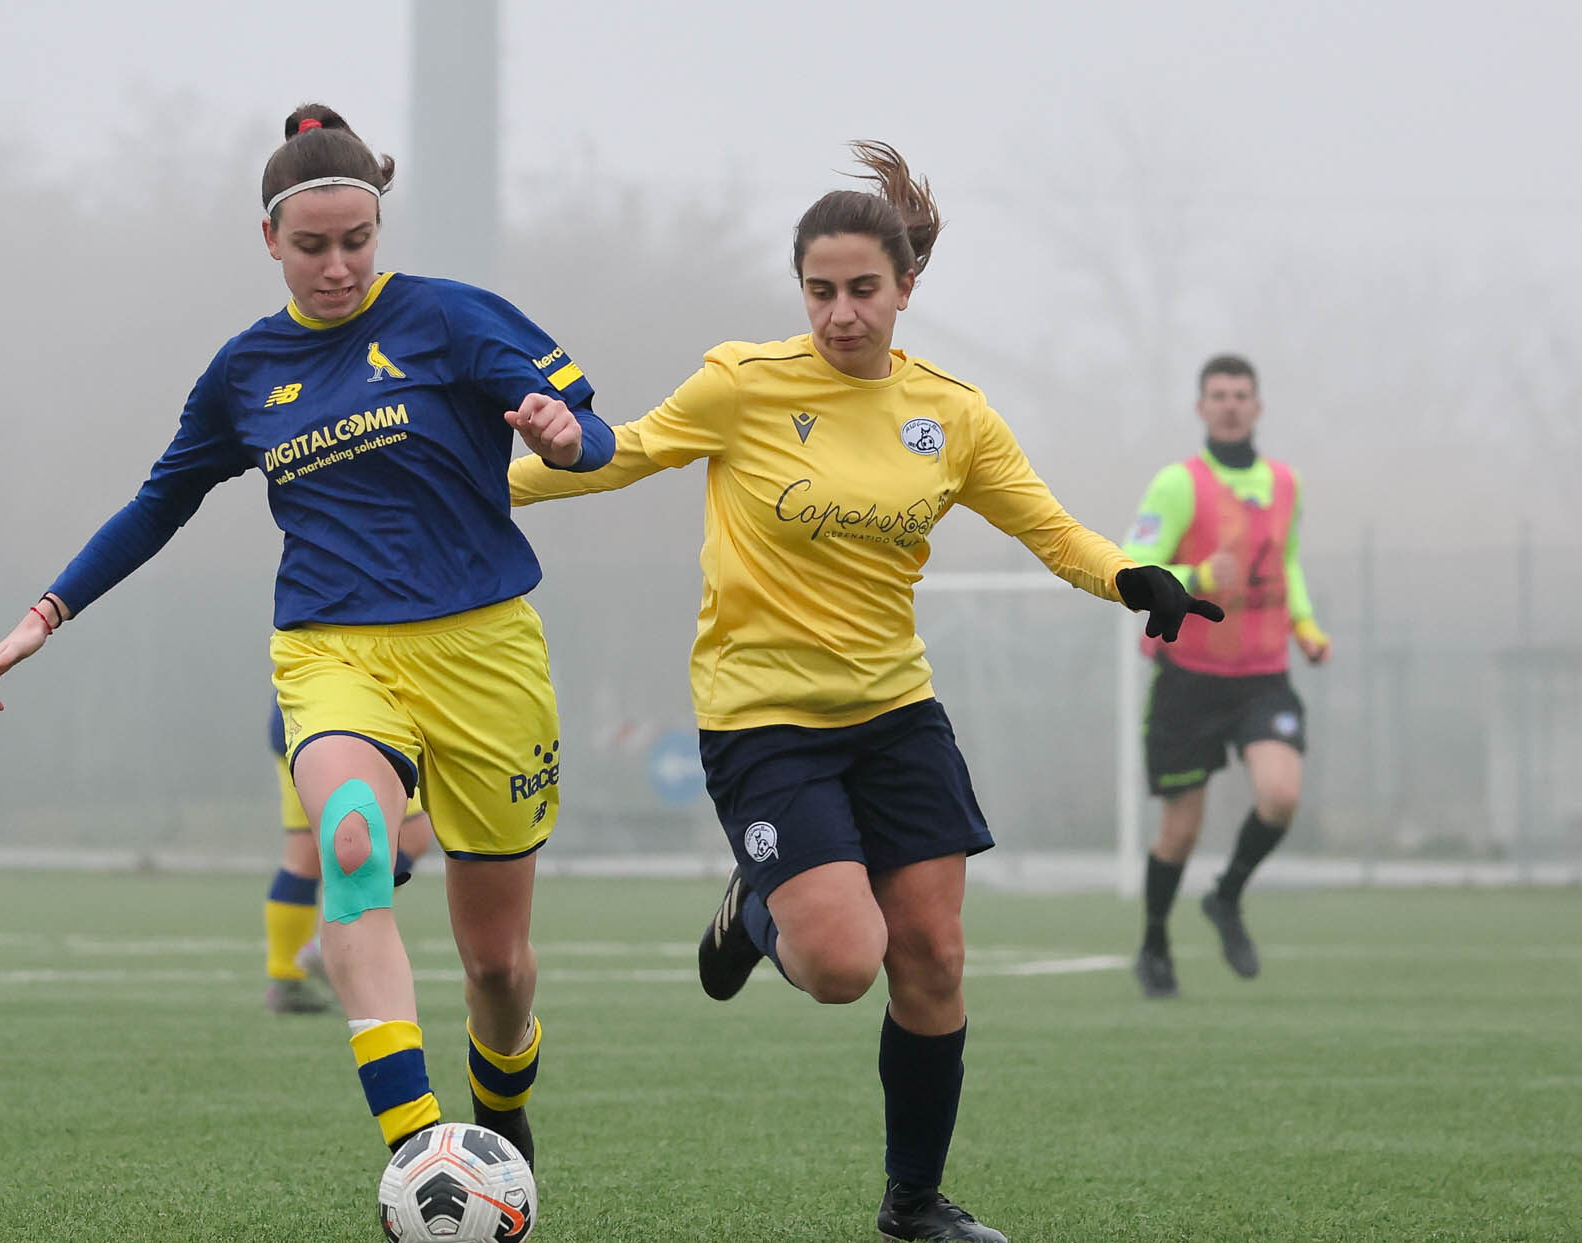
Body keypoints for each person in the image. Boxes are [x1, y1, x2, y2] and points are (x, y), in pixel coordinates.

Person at [508, 142, 1221, 1242]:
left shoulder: (952, 415)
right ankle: (754, 909)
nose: (840, 313)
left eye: (862, 290)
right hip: (761, 718)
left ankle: (914, 1203)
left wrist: (1132, 577)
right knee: (845, 964)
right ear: (800, 290)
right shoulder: (743, 384)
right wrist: (473, 486)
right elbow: (623, 452)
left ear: (904, 287)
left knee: (932, 954)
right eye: (820, 291)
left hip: (895, 715)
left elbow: (1046, 526)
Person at [0, 105, 612, 1174]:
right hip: (332, 653)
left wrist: (563, 433)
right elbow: (160, 502)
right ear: (269, 239)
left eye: (356, 240)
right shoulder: (244, 371)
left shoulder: (450, 318)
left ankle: (501, 1105)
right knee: (352, 846)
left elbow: (590, 431)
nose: (337, 265)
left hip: (485, 652)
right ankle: (417, 1148)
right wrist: (43, 614)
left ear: (378, 228)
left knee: (496, 964)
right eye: (312, 245)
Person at [1124, 355, 1328, 1000]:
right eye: (1219, 395)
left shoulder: (1287, 483)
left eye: (1241, 394)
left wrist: (1305, 624)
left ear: (1258, 406)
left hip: (1263, 676)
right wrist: (1198, 577)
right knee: (1181, 830)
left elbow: (1286, 562)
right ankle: (1155, 943)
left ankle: (1226, 896)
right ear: (1201, 407)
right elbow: (1134, 565)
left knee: (1281, 794)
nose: (1231, 405)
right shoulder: (1177, 485)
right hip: (1189, 675)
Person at [263, 692, 435, 1015]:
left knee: (304, 854)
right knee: (411, 833)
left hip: (297, 712)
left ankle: (286, 975)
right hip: (351, 716)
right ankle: (329, 943)